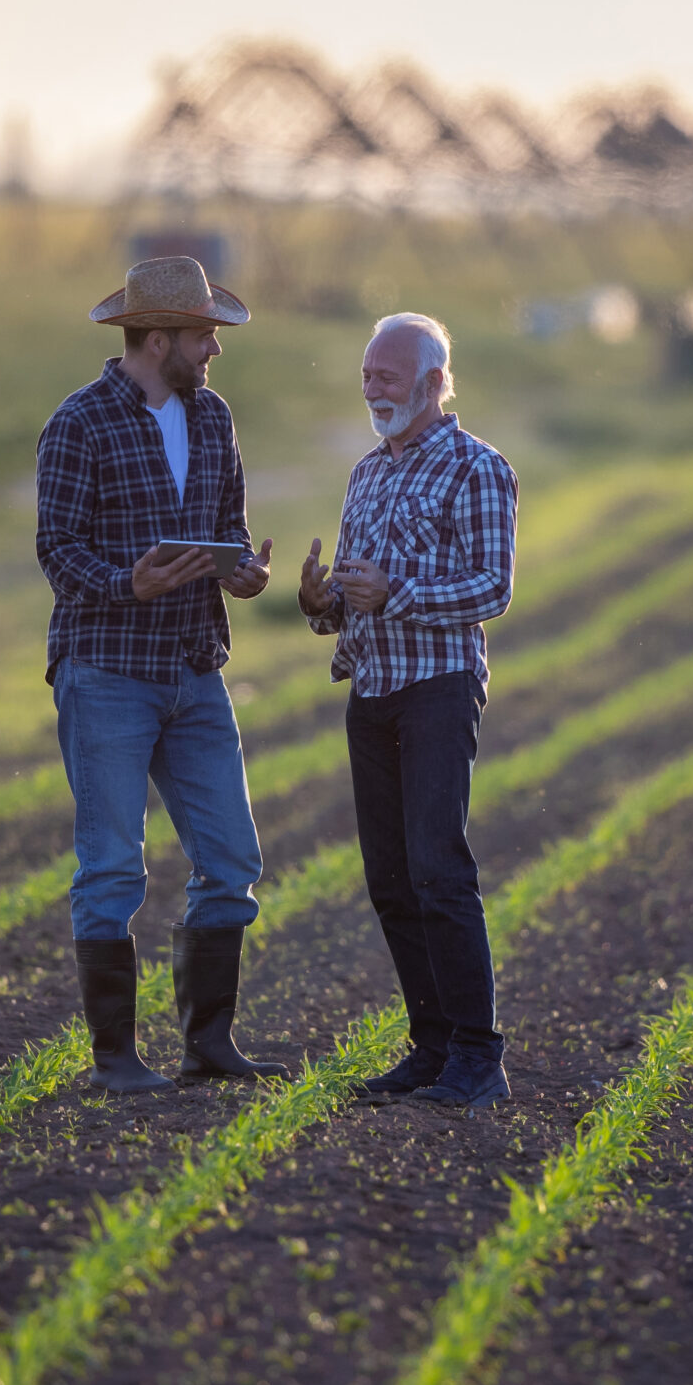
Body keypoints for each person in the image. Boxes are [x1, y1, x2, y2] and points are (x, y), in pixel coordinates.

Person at [35, 255, 289, 1094]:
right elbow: (57, 548)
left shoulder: (214, 420)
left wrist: (242, 572)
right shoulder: (80, 423)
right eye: (204, 334)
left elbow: (227, 529)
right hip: (107, 670)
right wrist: (124, 582)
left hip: (194, 669)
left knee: (233, 859)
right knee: (112, 867)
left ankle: (206, 1046)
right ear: (158, 337)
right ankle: (115, 1057)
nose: (215, 350)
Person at [300, 312, 519, 1109]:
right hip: (372, 691)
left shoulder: (477, 468)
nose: (371, 386)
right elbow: (355, 602)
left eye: (386, 375)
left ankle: (478, 1052)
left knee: (438, 869)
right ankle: (430, 1047)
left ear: (433, 383)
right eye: (366, 373)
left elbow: (492, 588)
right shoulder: (368, 472)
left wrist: (397, 593)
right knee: (391, 880)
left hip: (437, 688)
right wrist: (322, 604)